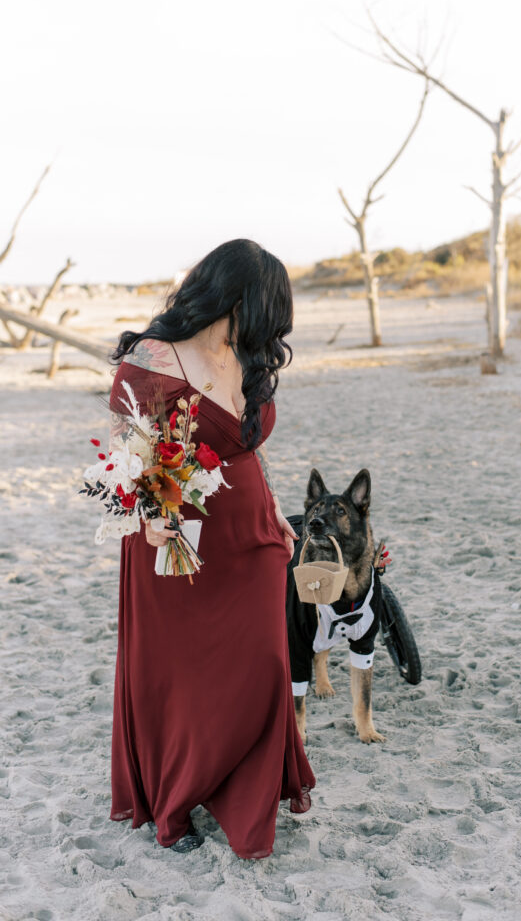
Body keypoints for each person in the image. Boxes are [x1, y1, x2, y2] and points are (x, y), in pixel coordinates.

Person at [107, 239, 315, 858]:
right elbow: (123, 453)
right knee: (179, 675)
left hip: (249, 534)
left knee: (265, 667)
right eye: (270, 308)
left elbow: (249, 444)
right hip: (175, 534)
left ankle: (242, 796)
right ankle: (176, 801)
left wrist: (275, 504)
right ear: (237, 297)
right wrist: (146, 517)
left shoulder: (247, 358)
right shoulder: (153, 356)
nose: (274, 328)